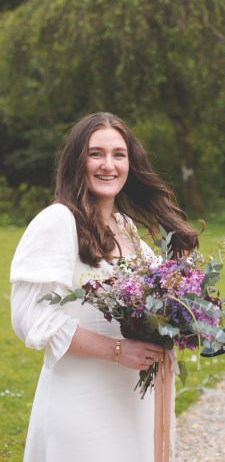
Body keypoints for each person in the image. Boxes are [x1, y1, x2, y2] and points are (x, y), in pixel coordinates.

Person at [10, 111, 198, 462]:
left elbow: (163, 297)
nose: (108, 165)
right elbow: (31, 318)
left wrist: (184, 297)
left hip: (131, 400)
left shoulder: (124, 226)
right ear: (76, 161)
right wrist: (115, 350)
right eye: (96, 153)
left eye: (118, 154)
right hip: (81, 402)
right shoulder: (57, 221)